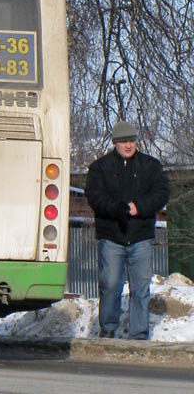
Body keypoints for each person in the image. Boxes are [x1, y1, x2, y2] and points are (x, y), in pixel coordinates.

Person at [85, 120, 169, 340]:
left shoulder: (151, 166)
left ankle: (140, 334)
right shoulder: (100, 168)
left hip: (140, 236)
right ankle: (108, 328)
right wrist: (116, 209)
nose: (128, 145)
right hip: (112, 237)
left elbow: (161, 194)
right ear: (115, 143)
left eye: (131, 140)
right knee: (110, 284)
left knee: (141, 288)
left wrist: (139, 207)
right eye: (123, 141)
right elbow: (95, 196)